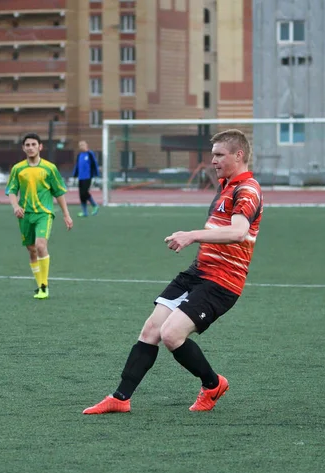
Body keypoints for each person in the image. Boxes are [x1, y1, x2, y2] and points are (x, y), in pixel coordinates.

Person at [83, 129, 263, 414]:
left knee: (171, 335)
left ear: (239, 155)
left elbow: (240, 232)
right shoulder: (225, 184)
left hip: (223, 281)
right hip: (199, 272)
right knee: (151, 329)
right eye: (212, 154)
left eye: (219, 155)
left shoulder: (247, 189)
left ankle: (212, 384)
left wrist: (192, 235)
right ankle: (120, 397)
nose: (212, 160)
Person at [6, 133, 74, 300]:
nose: (30, 147)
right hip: (25, 215)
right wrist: (15, 206)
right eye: (27, 145)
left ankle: (44, 286)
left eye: (33, 144)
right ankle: (39, 285)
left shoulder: (50, 168)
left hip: (44, 213)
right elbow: (12, 191)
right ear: (23, 148)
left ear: (40, 147)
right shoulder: (18, 169)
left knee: (40, 245)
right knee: (31, 250)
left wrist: (66, 215)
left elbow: (58, 193)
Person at [73, 140, 100, 217]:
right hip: (80, 177)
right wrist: (75, 175)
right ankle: (85, 212)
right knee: (81, 195)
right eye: (80, 145)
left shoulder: (90, 154)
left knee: (85, 192)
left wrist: (96, 176)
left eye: (83, 145)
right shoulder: (79, 155)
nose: (81, 146)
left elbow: (94, 165)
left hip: (88, 177)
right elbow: (77, 166)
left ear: (86, 145)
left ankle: (95, 205)